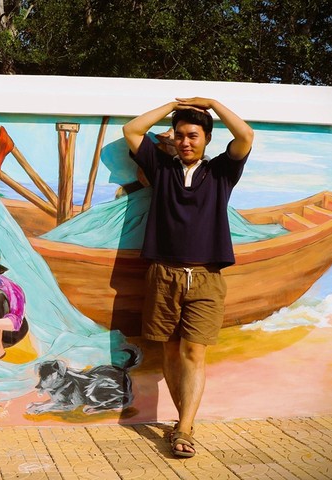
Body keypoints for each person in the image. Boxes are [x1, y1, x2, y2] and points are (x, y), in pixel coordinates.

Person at [122, 97, 254, 458]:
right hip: (164, 275)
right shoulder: (161, 167)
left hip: (207, 277)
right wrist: (172, 105)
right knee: (169, 349)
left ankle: (183, 428)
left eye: (193, 135)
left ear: (207, 138)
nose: (185, 142)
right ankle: (185, 425)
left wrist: (212, 103)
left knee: (194, 351)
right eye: (179, 135)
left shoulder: (222, 171)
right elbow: (132, 130)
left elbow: (245, 135)